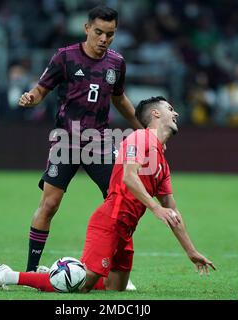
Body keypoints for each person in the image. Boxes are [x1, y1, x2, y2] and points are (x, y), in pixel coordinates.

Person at [0, 96, 216, 293]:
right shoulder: (139, 137)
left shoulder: (162, 164)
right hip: (109, 220)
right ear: (155, 114)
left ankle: (56, 275)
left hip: (125, 231)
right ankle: (7, 275)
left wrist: (191, 251)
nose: (175, 114)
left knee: (116, 288)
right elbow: (128, 177)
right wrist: (155, 208)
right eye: (170, 109)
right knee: (82, 286)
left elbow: (173, 212)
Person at [17, 5, 143, 279]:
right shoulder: (65, 57)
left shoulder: (116, 63)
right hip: (65, 141)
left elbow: (119, 99)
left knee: (119, 204)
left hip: (99, 143)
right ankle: (29, 272)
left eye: (110, 34)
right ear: (87, 29)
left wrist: (142, 129)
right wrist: (30, 98)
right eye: (98, 32)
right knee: (49, 204)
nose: (103, 39)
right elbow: (41, 90)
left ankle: (114, 273)